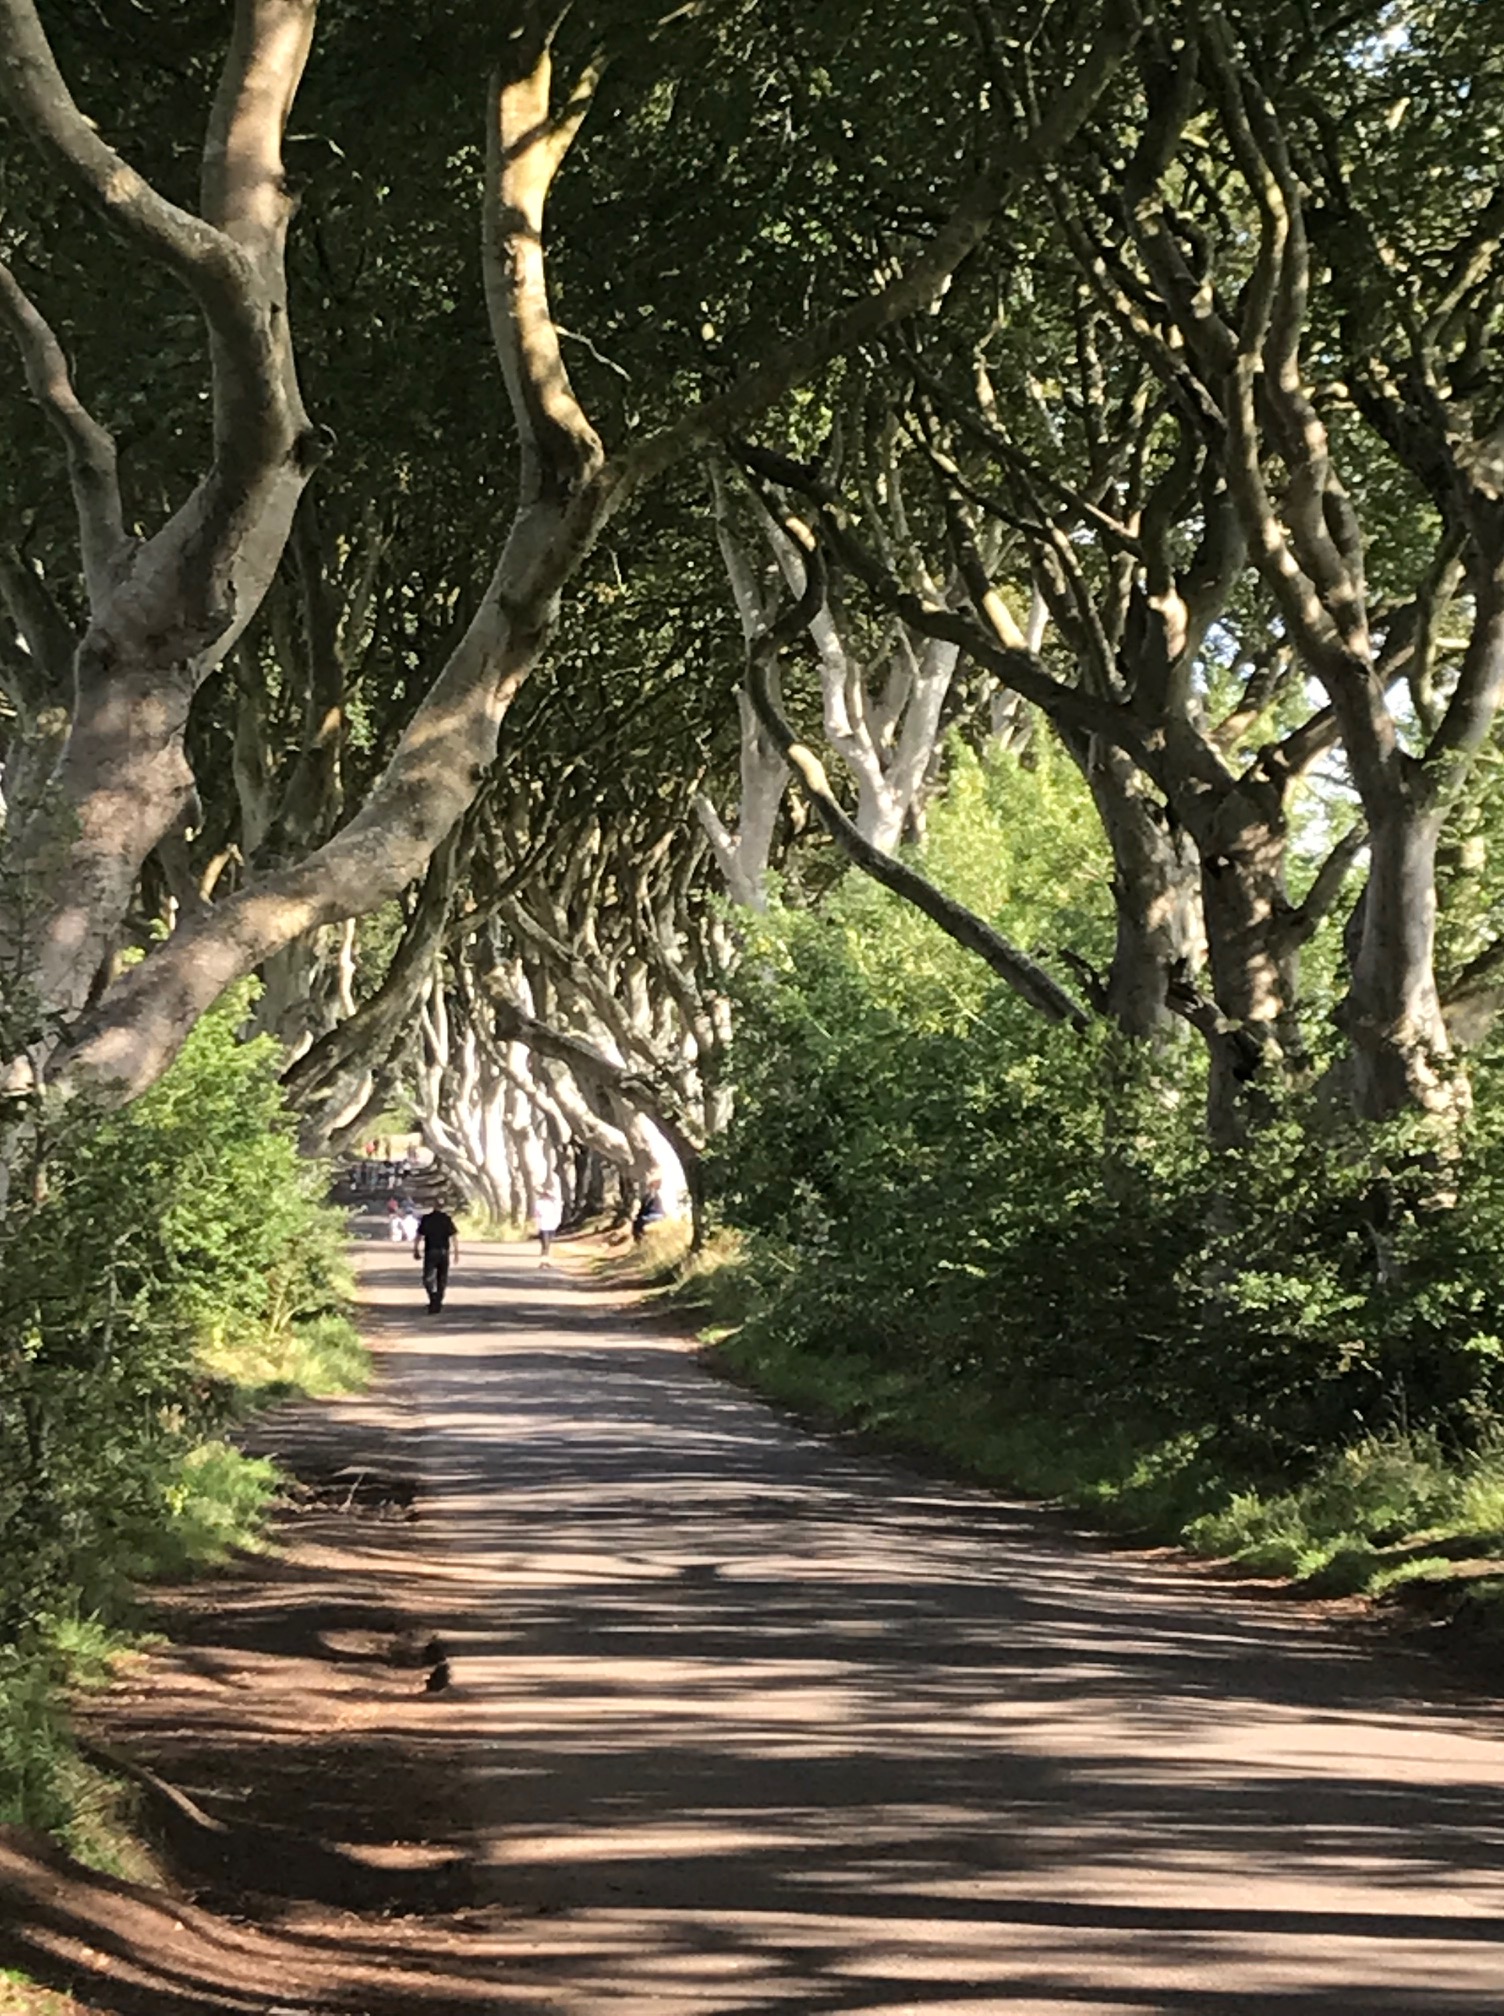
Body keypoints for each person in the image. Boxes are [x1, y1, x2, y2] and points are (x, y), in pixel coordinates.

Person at [413, 1202, 460, 1312]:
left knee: (428, 1278)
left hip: (431, 1251)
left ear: (433, 1207)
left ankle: (433, 1297)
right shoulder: (447, 1219)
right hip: (444, 1252)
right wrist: (456, 1253)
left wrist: (415, 1249)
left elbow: (419, 1235)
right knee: (442, 1278)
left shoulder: (427, 1219)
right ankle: (437, 1300)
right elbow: (454, 1237)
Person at [535, 1175, 563, 1267]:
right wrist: (537, 1225)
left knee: (548, 1244)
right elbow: (537, 1214)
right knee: (545, 1244)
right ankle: (543, 1261)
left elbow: (557, 1207)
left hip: (551, 1225)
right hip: (543, 1226)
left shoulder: (553, 1203)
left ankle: (546, 1261)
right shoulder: (539, 1203)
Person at [632, 1175, 666, 1243]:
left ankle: (640, 1241)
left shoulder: (651, 1193)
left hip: (655, 1214)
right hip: (655, 1214)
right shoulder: (650, 1193)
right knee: (637, 1222)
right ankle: (640, 1241)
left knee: (638, 1222)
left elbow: (644, 1206)